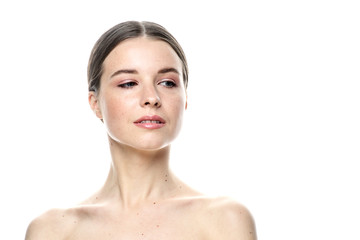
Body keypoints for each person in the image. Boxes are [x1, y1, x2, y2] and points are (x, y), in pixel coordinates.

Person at [25, 21, 257, 240]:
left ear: (185, 99)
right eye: (128, 83)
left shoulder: (225, 221)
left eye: (167, 82)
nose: (151, 98)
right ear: (95, 103)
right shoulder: (53, 231)